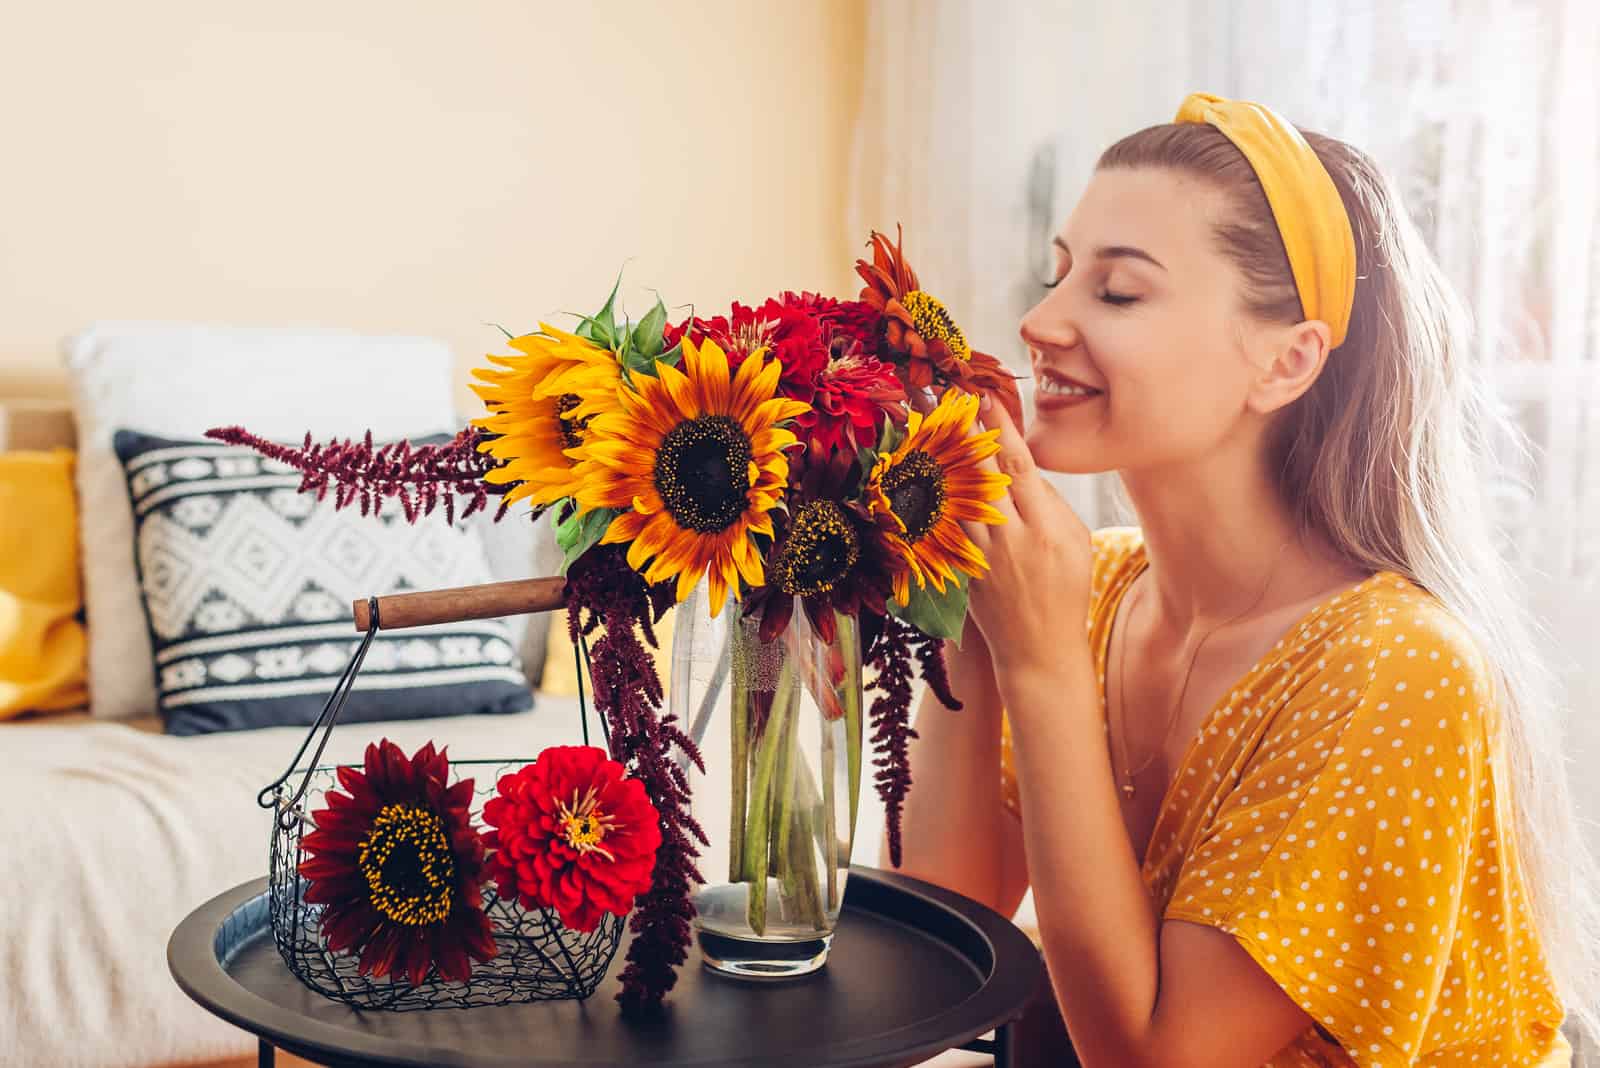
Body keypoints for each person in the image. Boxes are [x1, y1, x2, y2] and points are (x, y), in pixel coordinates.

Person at [889, 93, 1597, 1067]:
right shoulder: (1088, 589)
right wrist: (974, 595)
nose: (1039, 321)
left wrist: (1041, 660)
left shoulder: (1393, 665)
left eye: (1117, 292)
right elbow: (939, 942)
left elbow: (1159, 1062)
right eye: (1057, 276)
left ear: (1285, 362)